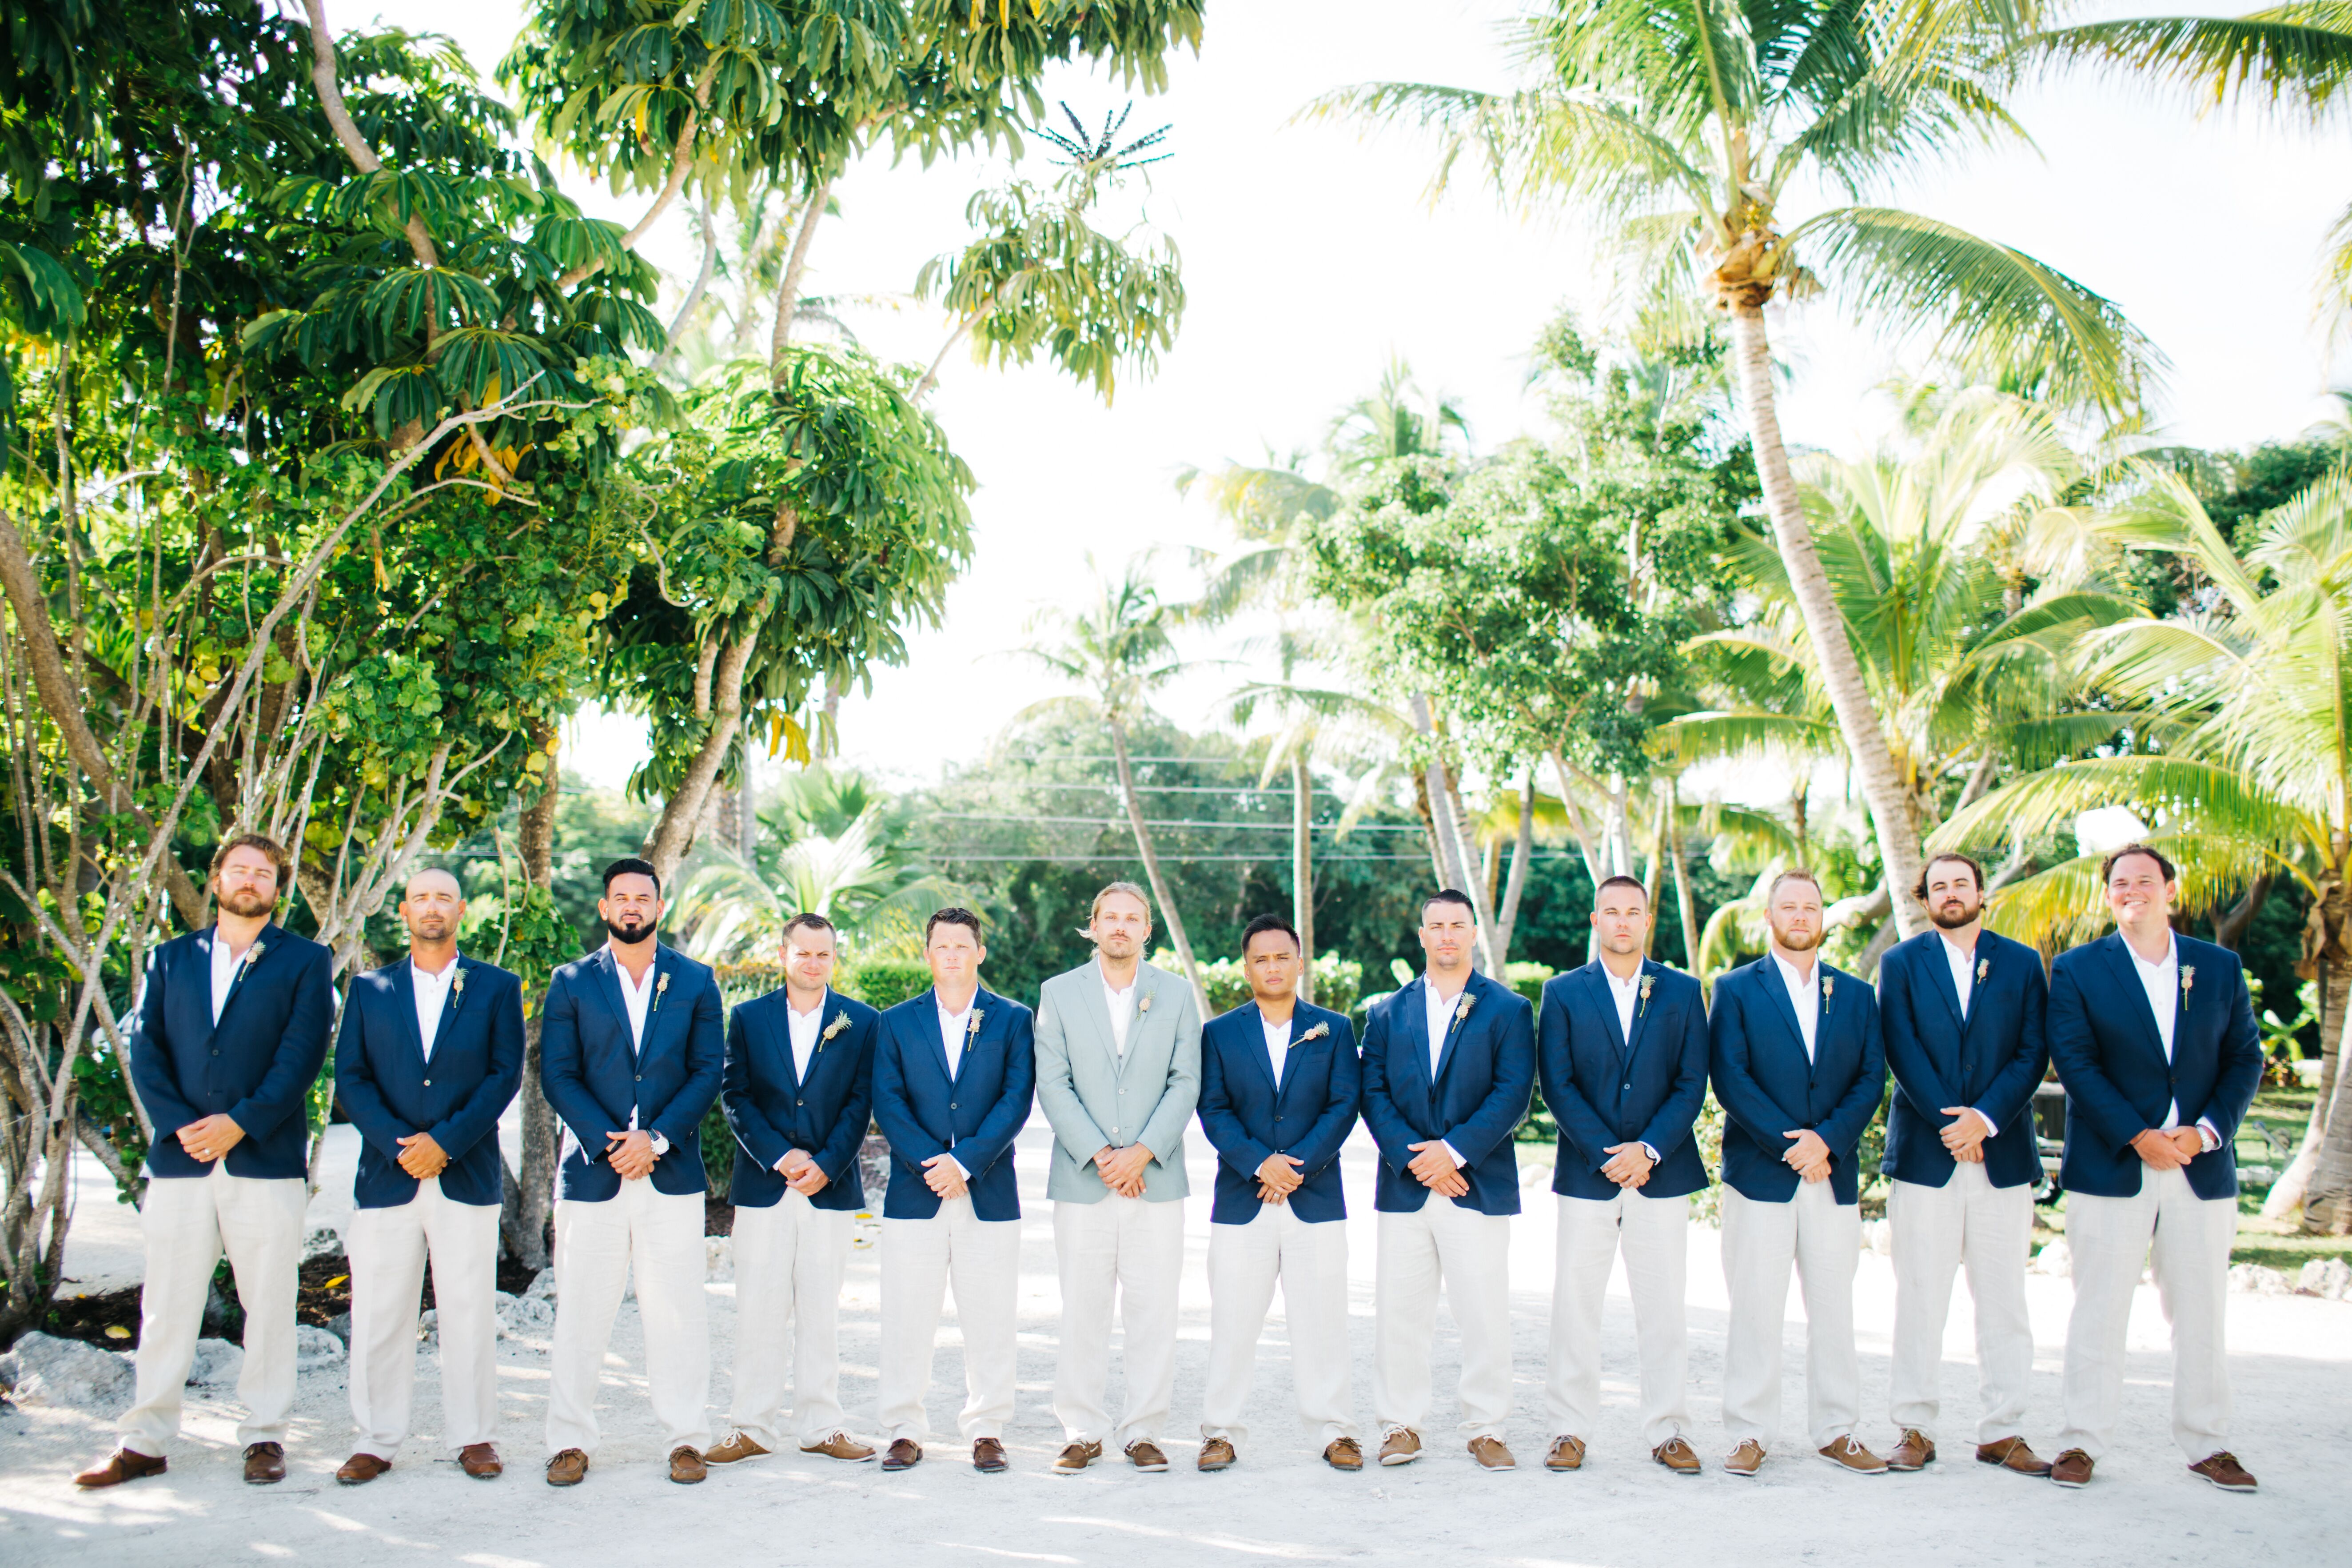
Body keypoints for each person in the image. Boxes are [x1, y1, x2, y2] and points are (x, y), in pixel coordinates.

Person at [76, 834, 335, 1489]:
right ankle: (145, 1439)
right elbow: (146, 1049)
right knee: (166, 1302)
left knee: (269, 1303)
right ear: (216, 878)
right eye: (240, 869)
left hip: (264, 1162)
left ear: (278, 887)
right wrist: (185, 1127)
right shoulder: (171, 960)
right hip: (183, 1159)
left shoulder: (306, 962)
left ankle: (265, 1435)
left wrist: (240, 1123)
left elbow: (301, 1056)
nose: (251, 881)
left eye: (264, 873)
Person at [2045, 843, 2263, 1492]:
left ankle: (2208, 1443)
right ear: (2106, 894)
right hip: (2113, 1164)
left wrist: (2202, 1134)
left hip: (2198, 1166)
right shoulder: (2078, 969)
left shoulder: (2218, 967)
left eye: (2145, 879)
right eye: (2119, 882)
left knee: (2200, 1309)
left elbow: (2243, 1060)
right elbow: (2075, 1062)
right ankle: (2081, 1441)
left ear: (2170, 888)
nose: (2131, 890)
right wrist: (2139, 1136)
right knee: (2098, 1308)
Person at [332, 868, 527, 1484]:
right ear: (404, 910)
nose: (432, 906)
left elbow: (503, 1076)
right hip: (386, 1177)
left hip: (464, 1172)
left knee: (467, 1308)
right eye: (421, 897)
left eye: (444, 896)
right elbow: (352, 1077)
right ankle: (377, 1439)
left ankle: (473, 1435)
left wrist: (443, 1142)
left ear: (461, 910)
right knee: (380, 1311)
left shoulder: (496, 987)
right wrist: (401, 1146)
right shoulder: (368, 989)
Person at [538, 857, 726, 1488]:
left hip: (669, 1174)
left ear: (658, 907)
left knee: (677, 1310)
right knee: (582, 1309)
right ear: (604, 908)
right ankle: (568, 1441)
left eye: (642, 897)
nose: (631, 907)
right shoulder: (569, 981)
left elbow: (706, 1071)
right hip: (594, 1174)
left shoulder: (696, 981)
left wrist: (658, 1138)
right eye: (620, 897)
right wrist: (611, 1142)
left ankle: (685, 1439)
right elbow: (558, 1073)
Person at [1876, 853, 2052, 1478]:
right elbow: (1900, 1046)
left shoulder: (2022, 963)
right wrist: (1954, 1125)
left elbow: (2033, 1049)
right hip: (1927, 1154)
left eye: (1961, 883)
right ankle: (1914, 1427)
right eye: (1939, 886)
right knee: (1919, 1294)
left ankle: (2003, 1430)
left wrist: (1987, 1119)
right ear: (1925, 899)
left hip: (2001, 1154)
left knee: (2004, 1298)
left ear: (1981, 892)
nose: (1951, 894)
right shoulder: (1899, 963)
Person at [1708, 868, 1888, 1478]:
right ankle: (1748, 1432)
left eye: (1811, 907)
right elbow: (1731, 1077)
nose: (1801, 917)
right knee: (1755, 1306)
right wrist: (1792, 1145)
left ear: (1822, 917)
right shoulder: (1734, 989)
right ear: (1770, 917)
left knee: (1834, 1307)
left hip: (1830, 1177)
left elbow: (1869, 1077)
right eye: (1789, 907)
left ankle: (1838, 1429)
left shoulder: (1856, 994)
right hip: (1760, 1174)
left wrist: (1827, 1143)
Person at [1535, 875, 1710, 1476]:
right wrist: (1610, 1152)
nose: (1622, 922)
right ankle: (1567, 1430)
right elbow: (1557, 1083)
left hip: (1661, 1173)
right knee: (1575, 1304)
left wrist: (1650, 1149)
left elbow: (1692, 1080)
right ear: (1594, 921)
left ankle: (1667, 1429)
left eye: (1632, 912)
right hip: (1588, 1173)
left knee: (1663, 1305)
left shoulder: (1683, 991)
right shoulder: (1561, 992)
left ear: (1645, 921)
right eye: (1611, 912)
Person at [1359, 889, 1536, 1472]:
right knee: (1400, 1312)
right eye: (1435, 925)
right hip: (1407, 1186)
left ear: (1472, 934)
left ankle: (1485, 1427)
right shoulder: (1386, 1012)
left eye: (1457, 925)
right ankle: (1399, 1424)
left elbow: (1512, 1092)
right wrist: (1418, 1160)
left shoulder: (1507, 1010)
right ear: (1420, 935)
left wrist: (1454, 1153)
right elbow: (1374, 1093)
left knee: (1482, 1311)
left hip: (1475, 1184)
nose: (1446, 936)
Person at [1034, 882, 1204, 1474]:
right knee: (1082, 1308)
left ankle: (1143, 1430)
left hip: (1155, 1181)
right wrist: (1102, 1154)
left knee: (1153, 1308)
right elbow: (1052, 1082)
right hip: (1084, 1180)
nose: (1121, 927)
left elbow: (1186, 1081)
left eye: (1133, 918)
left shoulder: (1177, 993)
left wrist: (1142, 1152)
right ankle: (1081, 1430)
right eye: (1111, 917)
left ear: (1147, 928)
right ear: (1093, 925)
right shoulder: (1058, 993)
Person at [705, 912, 880, 1468]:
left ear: (834, 958)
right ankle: (750, 1426)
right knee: (757, 1306)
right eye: (802, 953)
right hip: (764, 1185)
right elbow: (735, 1094)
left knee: (821, 1310)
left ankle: (821, 1425)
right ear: (783, 954)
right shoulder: (749, 1018)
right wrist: (782, 1156)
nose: (812, 962)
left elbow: (862, 1101)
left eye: (822, 954)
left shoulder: (861, 1020)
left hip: (829, 1188)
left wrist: (826, 1163)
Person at [1194, 913, 1364, 1473]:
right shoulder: (1218, 1032)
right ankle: (1220, 1431)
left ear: (1299, 962)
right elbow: (1213, 1109)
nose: (1272, 966)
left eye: (1281, 956)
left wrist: (1296, 1166)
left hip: (1314, 1199)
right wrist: (1257, 1164)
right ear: (1247, 967)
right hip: (1243, 1200)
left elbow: (1343, 1105)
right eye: (1260, 958)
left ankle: (1335, 1430)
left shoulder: (1333, 1029)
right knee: (1233, 1322)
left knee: (1322, 1321)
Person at [870, 907, 1036, 1474]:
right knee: (906, 1313)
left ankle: (987, 1428)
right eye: (941, 945)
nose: (952, 955)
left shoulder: (1012, 1019)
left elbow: (1015, 1100)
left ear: (979, 952)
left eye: (962, 945)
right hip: (914, 1195)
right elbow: (887, 1101)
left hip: (987, 1191)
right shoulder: (894, 1022)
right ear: (928, 953)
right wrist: (930, 1164)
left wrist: (963, 1163)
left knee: (990, 1313)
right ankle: (903, 1428)